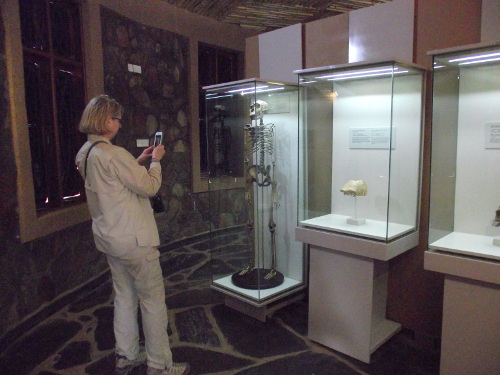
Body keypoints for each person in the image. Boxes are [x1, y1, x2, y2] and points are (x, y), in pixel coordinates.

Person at [75, 95, 190, 375]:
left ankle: (126, 356)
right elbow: (149, 187)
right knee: (152, 302)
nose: (118, 123)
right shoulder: (114, 154)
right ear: (104, 120)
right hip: (135, 241)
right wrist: (156, 162)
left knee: (124, 296)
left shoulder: (85, 153)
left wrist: (138, 161)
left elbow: (114, 187)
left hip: (109, 239)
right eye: (115, 118)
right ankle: (159, 365)